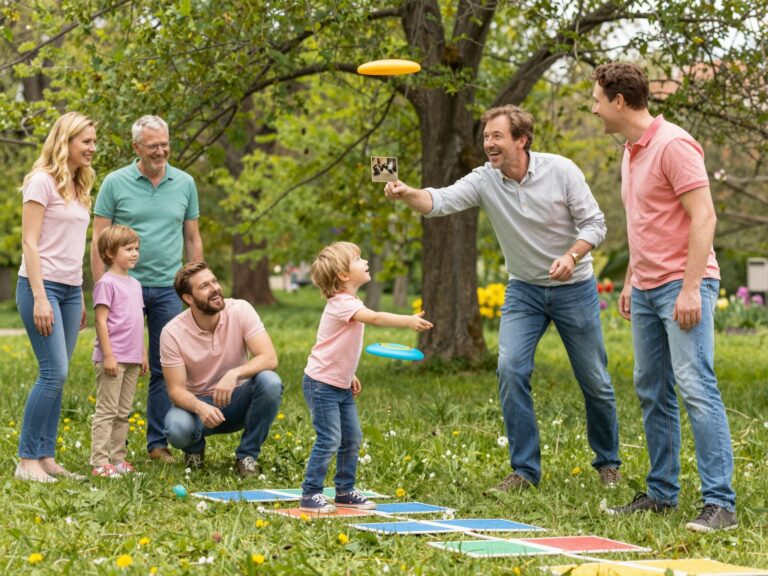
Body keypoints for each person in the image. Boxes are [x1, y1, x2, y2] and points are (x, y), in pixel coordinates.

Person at [384, 105, 621, 491]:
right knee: (510, 368)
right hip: (524, 290)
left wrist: (571, 255)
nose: (488, 144)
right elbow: (439, 201)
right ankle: (525, 471)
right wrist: (407, 192)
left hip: (574, 287)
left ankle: (608, 463)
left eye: (496, 136)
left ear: (521, 140)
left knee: (594, 379)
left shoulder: (561, 171)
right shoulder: (484, 179)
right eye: (485, 137)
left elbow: (595, 223)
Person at [591, 62, 737, 532]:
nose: (593, 108)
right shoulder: (630, 152)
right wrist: (633, 277)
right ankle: (661, 494)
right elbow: (645, 224)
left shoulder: (674, 144)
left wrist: (692, 287)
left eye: (597, 99)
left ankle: (721, 504)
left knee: (696, 388)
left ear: (618, 100)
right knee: (652, 390)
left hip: (683, 284)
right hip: (649, 287)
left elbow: (705, 218)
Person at [91, 115, 204, 464]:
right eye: (153, 145)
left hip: (169, 290)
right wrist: (101, 290)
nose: (161, 151)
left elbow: (192, 238)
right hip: (124, 290)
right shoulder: (114, 183)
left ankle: (157, 444)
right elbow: (98, 239)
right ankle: (108, 451)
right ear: (136, 147)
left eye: (165, 144)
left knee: (164, 366)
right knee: (120, 363)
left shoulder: (184, 183)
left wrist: (195, 287)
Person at [299, 242, 432, 513]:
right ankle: (310, 493)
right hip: (321, 384)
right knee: (330, 438)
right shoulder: (341, 304)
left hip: (339, 383)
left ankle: (345, 491)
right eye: (358, 259)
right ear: (344, 276)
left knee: (352, 437)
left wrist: (349, 374)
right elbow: (375, 318)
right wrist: (406, 321)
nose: (365, 261)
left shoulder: (350, 301)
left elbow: (337, 345)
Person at [15, 112, 96, 483]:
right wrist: (40, 297)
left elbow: (72, 246)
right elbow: (30, 243)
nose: (93, 148)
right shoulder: (41, 182)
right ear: (66, 142)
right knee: (53, 371)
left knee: (59, 376)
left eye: (94, 142)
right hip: (40, 286)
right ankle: (26, 459)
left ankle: (46, 457)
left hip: (68, 289)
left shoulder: (79, 186)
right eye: (87, 142)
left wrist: (78, 291)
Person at [160, 262, 282, 477]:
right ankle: (194, 451)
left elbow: (269, 357)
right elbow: (176, 391)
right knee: (177, 428)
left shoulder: (240, 309)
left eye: (214, 281)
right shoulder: (172, 333)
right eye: (204, 286)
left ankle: (247, 457)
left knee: (270, 381)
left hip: (239, 401)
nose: (215, 288)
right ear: (188, 298)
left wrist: (235, 373)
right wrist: (199, 407)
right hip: (199, 408)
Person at [90, 224, 148, 477]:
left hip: (133, 358)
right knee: (107, 411)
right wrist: (109, 355)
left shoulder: (135, 284)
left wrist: (143, 353)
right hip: (113, 359)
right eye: (128, 249)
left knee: (123, 412)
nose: (134, 253)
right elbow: (101, 321)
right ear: (110, 252)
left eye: (136, 248)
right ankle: (99, 462)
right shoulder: (106, 283)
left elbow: (137, 321)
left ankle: (118, 460)